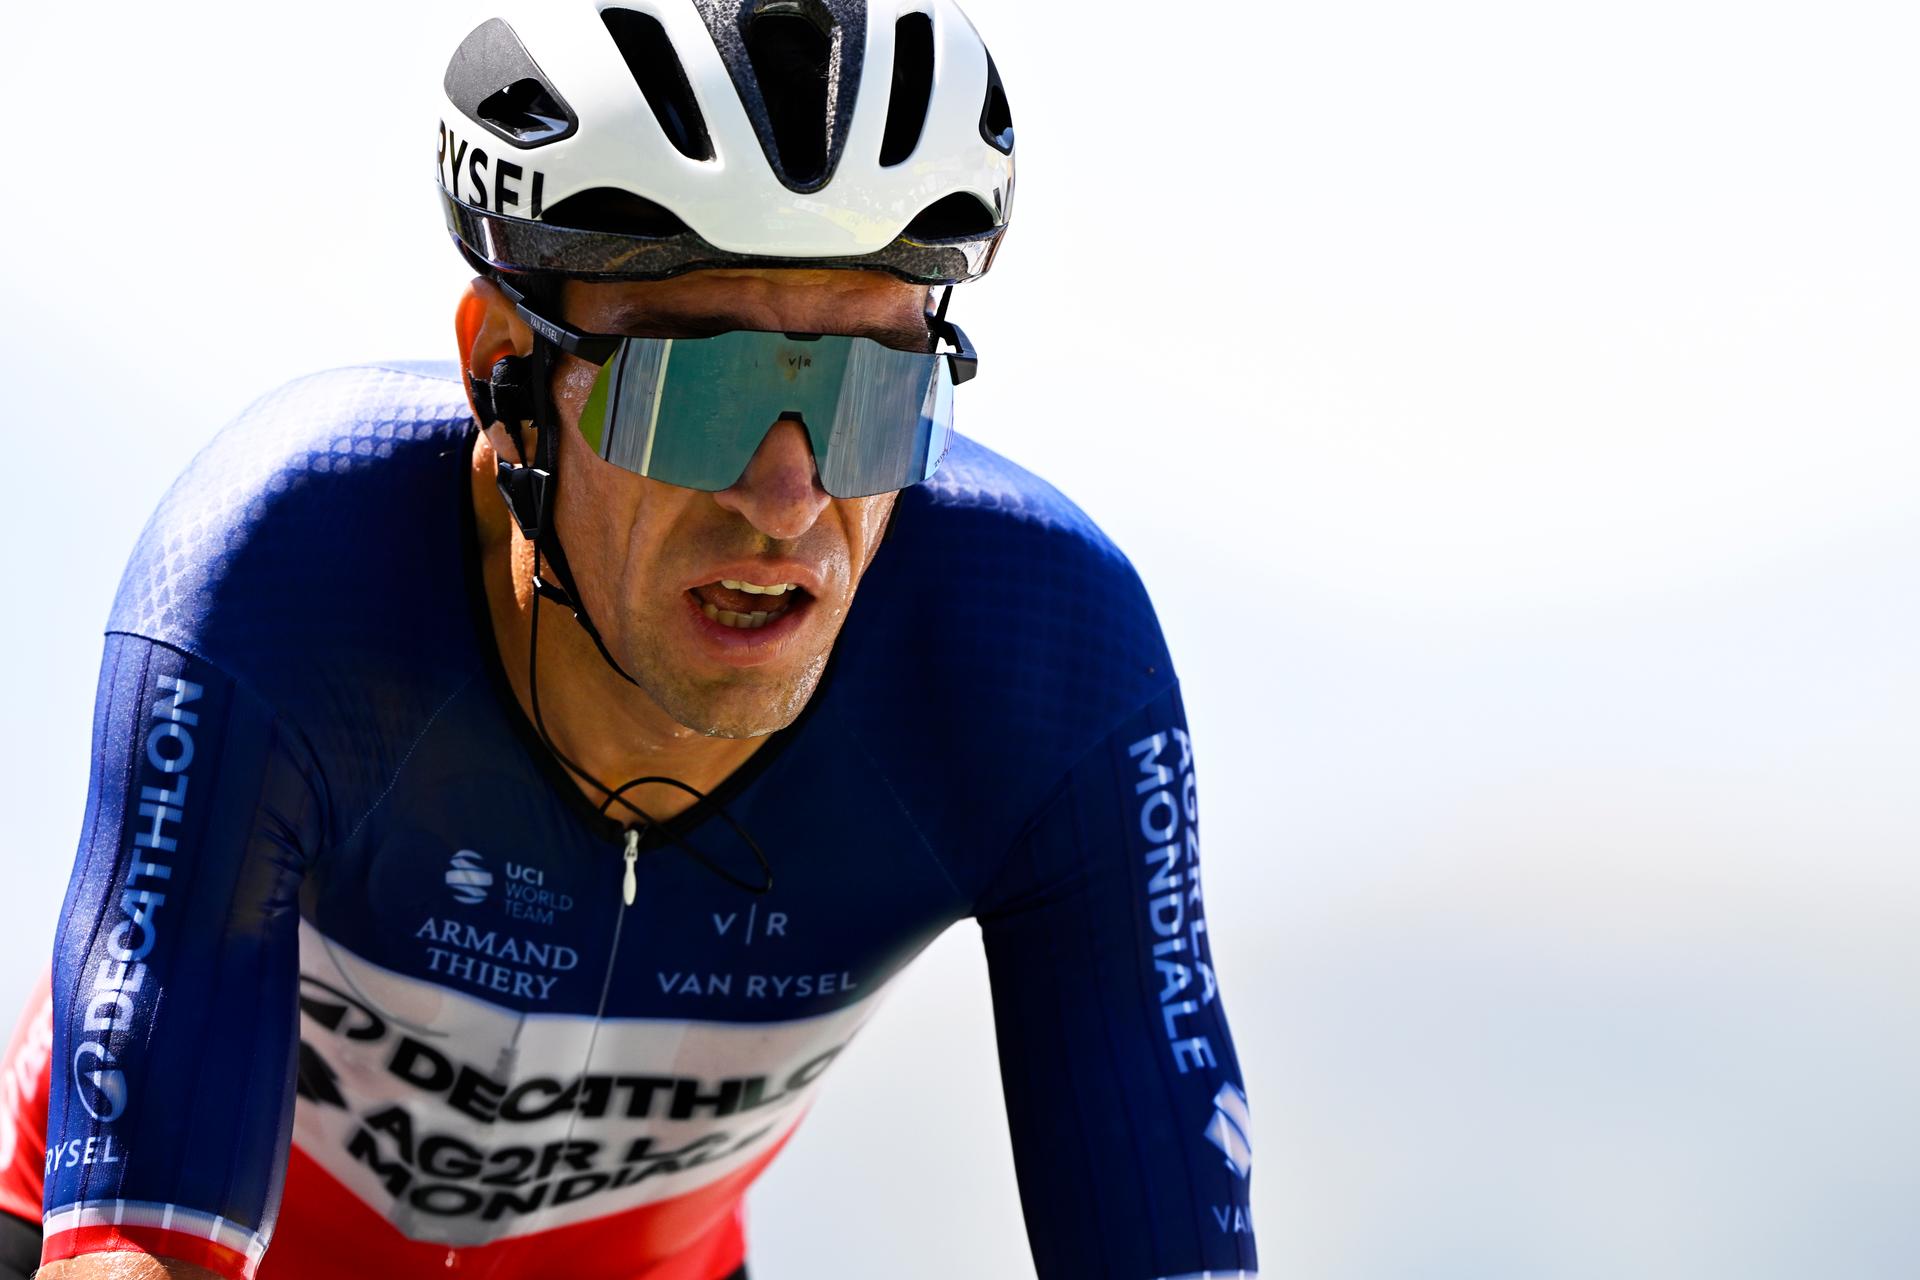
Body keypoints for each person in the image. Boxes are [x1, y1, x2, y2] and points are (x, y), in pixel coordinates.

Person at [0, 3, 1256, 1277]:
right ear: (505, 376)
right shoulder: (286, 571)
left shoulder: (1046, 663)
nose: (789, 500)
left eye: (873, 395)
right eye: (700, 391)